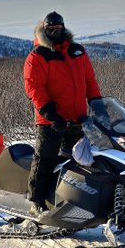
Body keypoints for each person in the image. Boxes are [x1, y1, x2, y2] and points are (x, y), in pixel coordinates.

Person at [23, 11, 102, 215]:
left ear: (64, 27)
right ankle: (37, 201)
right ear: (45, 29)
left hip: (77, 119)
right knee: (45, 159)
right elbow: (34, 88)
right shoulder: (38, 56)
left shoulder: (77, 51)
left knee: (78, 162)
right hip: (51, 121)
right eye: (51, 29)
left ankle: (71, 201)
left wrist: (98, 104)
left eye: (58, 28)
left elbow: (89, 81)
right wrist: (51, 114)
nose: (55, 32)